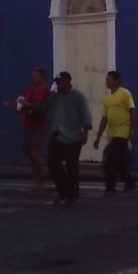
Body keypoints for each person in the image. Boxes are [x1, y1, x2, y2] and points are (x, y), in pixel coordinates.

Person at [45, 71, 92, 206]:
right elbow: (43, 108)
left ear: (68, 82)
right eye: (57, 83)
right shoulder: (55, 97)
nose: (58, 85)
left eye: (60, 82)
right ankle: (63, 190)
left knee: (72, 166)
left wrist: (85, 132)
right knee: (52, 163)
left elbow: (85, 115)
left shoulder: (78, 97)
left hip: (73, 136)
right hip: (57, 134)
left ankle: (71, 194)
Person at [5, 67, 49, 195]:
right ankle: (36, 181)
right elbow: (22, 108)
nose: (33, 78)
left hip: (38, 126)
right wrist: (15, 107)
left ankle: (40, 182)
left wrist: (28, 105)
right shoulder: (28, 91)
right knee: (28, 152)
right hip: (27, 125)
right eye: (32, 76)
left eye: (36, 76)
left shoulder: (45, 92)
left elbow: (43, 108)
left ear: (42, 78)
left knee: (35, 153)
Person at [93, 70, 136, 196]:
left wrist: (131, 131)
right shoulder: (108, 99)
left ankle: (110, 188)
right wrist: (98, 137)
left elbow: (132, 112)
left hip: (122, 132)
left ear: (116, 81)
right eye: (107, 79)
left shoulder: (124, 94)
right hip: (112, 133)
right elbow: (104, 119)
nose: (107, 82)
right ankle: (130, 184)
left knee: (111, 160)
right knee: (120, 162)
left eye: (109, 79)